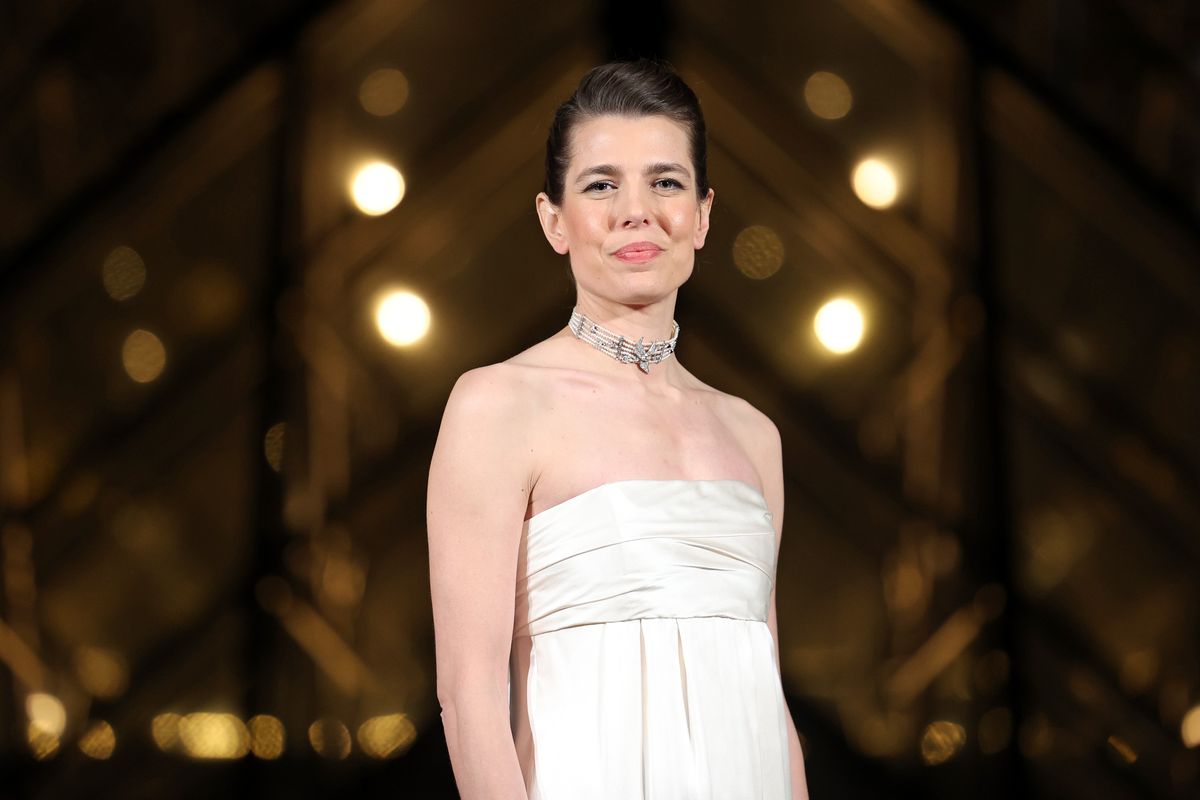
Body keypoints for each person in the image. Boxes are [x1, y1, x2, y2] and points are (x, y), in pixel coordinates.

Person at [427, 58, 810, 799]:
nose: (637, 211)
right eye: (601, 184)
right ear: (554, 220)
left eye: (665, 182)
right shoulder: (498, 405)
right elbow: (468, 692)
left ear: (702, 215)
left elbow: (767, 689)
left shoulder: (753, 435)